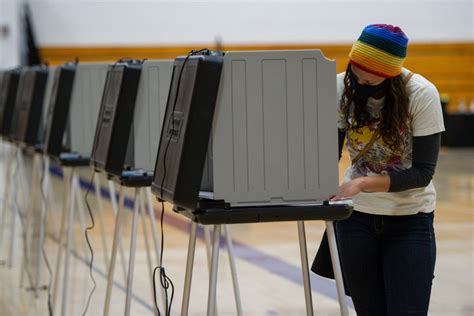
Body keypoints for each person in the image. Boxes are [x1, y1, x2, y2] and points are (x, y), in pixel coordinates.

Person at [330, 24, 445, 315]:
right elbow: (328, 152)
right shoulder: (340, 86)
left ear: (389, 75)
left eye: (369, 79)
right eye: (355, 71)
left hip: (410, 219)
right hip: (356, 221)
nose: (358, 82)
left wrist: (360, 184)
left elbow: (422, 173)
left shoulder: (421, 94)